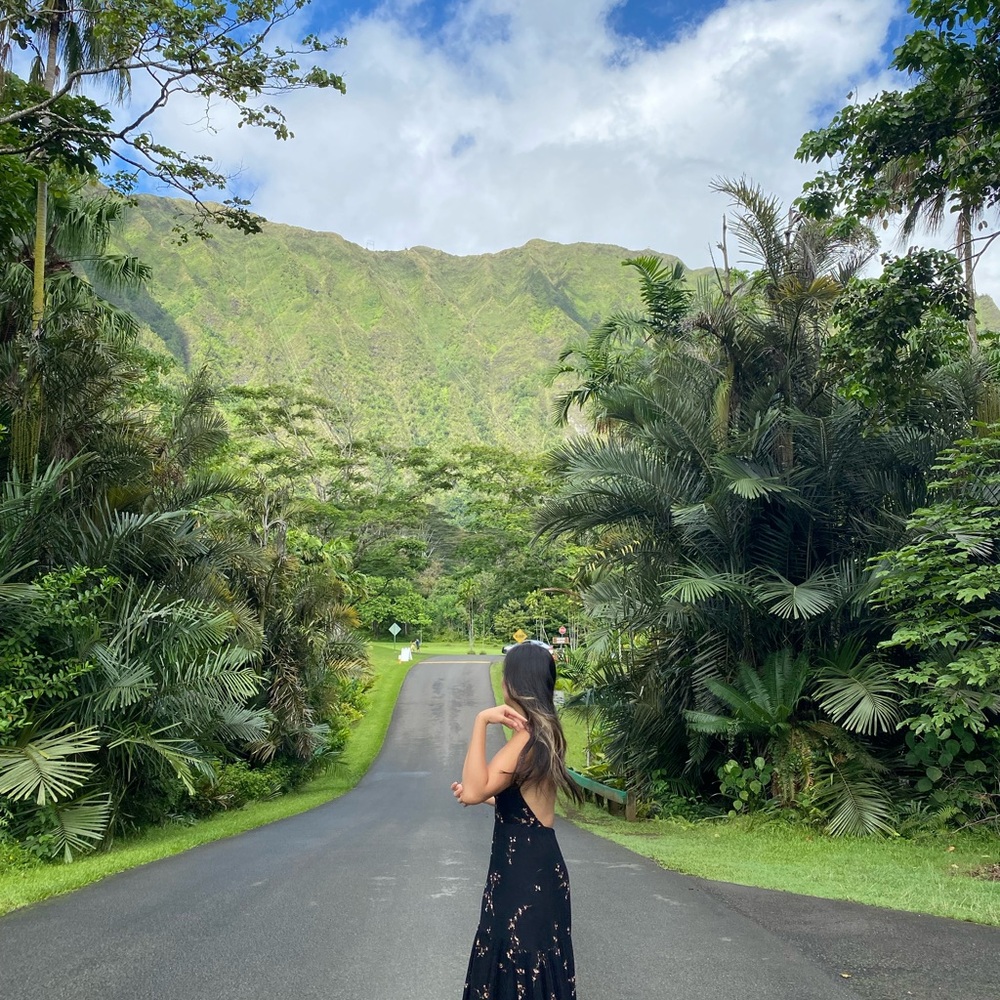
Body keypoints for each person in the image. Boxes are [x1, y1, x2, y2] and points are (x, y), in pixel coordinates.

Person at [450, 642, 582, 999]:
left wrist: (481, 721)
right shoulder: (546, 731)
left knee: (514, 962)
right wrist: (488, 795)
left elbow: (476, 789)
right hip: (535, 868)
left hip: (523, 875)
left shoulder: (525, 738)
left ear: (514, 683)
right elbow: (523, 803)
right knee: (531, 968)